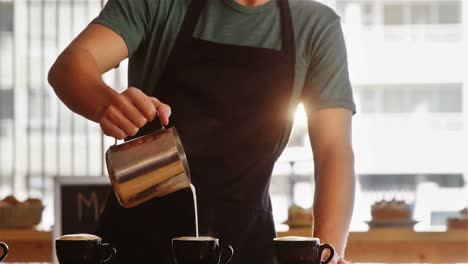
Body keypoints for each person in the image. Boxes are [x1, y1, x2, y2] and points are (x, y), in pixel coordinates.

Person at [48, 0, 356, 263]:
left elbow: (333, 152)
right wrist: (105, 104)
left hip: (246, 247)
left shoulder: (315, 27)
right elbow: (71, 66)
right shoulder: (159, 4)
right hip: (136, 245)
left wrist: (328, 251)